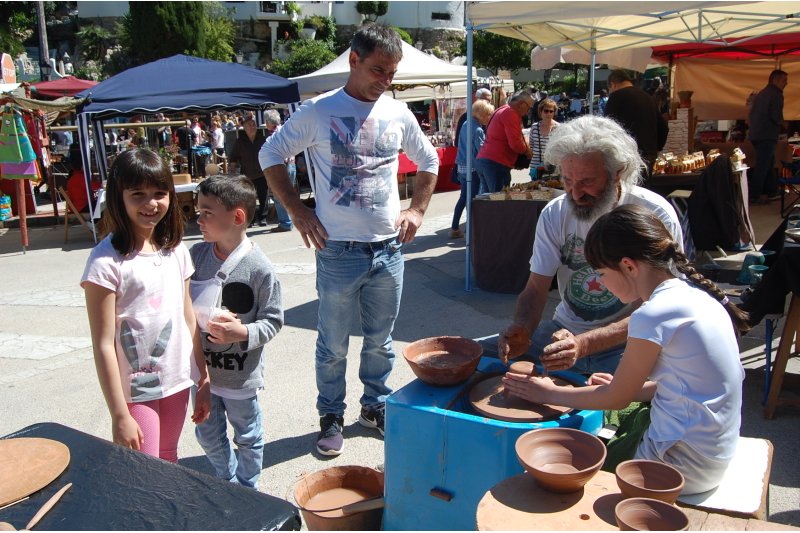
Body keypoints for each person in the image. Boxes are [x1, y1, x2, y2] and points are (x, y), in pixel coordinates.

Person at [259, 23, 439, 456]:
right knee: (333, 344)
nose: (385, 81)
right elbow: (270, 155)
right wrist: (298, 210)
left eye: (392, 73)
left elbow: (428, 159)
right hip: (338, 251)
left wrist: (416, 210)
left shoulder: (397, 113)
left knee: (381, 340)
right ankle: (331, 415)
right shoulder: (318, 112)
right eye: (378, 70)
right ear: (353, 60)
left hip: (388, 249)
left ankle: (373, 407)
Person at [503, 204, 747, 495]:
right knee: (622, 410)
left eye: (602, 274)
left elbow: (616, 399)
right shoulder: (695, 296)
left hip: (681, 464)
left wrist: (547, 393)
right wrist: (636, 389)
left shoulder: (651, 314)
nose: (601, 284)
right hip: (714, 451)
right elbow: (695, 384)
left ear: (629, 266)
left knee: (571, 474)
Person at [497, 115, 682, 375]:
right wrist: (523, 327)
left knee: (626, 404)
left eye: (586, 182)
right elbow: (536, 287)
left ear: (618, 172)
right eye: (567, 181)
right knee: (485, 364)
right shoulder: (555, 213)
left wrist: (585, 344)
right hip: (564, 331)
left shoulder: (653, 215)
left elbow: (657, 309)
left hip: (630, 340)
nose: (575, 194)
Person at [80, 148, 211, 462]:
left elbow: (187, 316)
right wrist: (119, 413)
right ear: (118, 197)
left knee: (168, 457)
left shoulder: (176, 250)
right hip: (136, 390)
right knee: (143, 468)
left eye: (159, 193)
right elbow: (103, 344)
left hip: (177, 379)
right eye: (137, 194)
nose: (150, 203)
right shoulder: (106, 261)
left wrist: (202, 376)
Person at [190, 175, 284, 489]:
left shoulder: (260, 268)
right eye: (198, 211)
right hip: (202, 375)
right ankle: (226, 479)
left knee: (248, 435)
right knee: (207, 433)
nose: (198, 219)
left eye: (207, 212)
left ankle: (247, 488)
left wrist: (241, 332)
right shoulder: (196, 257)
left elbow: (273, 321)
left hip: (241, 378)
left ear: (237, 217)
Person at [604, 69, 669, 178]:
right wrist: (656, 149)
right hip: (649, 155)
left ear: (613, 85)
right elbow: (663, 127)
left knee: (627, 192)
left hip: (626, 157)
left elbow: (607, 129)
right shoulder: (648, 97)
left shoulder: (616, 97)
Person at [450, 99, 494, 238]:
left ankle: (455, 228)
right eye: (488, 115)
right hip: (472, 169)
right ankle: (471, 231)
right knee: (472, 200)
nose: (489, 118)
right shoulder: (478, 130)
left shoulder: (465, 124)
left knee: (463, 197)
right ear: (482, 114)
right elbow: (482, 151)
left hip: (461, 167)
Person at [475, 90, 533, 193]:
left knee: (487, 199)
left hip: (485, 160)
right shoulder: (510, 113)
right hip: (496, 163)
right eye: (528, 107)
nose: (528, 111)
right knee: (499, 200)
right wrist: (527, 152)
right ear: (521, 104)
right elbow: (515, 144)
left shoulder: (502, 110)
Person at [748, 69, 788, 204]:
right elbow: (775, 115)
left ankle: (771, 190)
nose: (786, 83)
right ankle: (755, 194)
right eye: (784, 80)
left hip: (756, 133)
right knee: (763, 165)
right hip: (766, 134)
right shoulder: (776, 94)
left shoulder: (762, 93)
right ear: (775, 80)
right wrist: (783, 123)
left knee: (769, 163)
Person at [230, 117, 268, 227]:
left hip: (262, 173)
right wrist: (232, 170)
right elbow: (234, 157)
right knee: (249, 198)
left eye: (253, 124)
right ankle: (251, 220)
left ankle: (263, 218)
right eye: (249, 125)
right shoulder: (240, 141)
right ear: (244, 128)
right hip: (247, 174)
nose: (252, 127)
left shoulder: (263, 139)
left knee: (263, 196)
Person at [263, 109, 295, 233]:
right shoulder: (285, 130)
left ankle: (286, 223)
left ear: (267, 122)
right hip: (291, 165)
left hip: (281, 166)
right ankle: (289, 221)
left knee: (279, 195)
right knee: (288, 194)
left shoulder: (274, 135)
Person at [527, 98, 559, 179]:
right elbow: (530, 145)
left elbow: (560, 149)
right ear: (541, 111)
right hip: (536, 167)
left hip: (552, 168)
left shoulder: (559, 128)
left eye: (551, 111)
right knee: (535, 190)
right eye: (546, 111)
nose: (548, 113)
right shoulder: (534, 127)